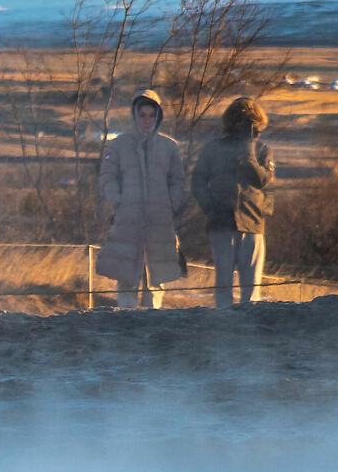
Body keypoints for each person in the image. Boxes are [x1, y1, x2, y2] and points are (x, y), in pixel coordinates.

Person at [97, 88, 187, 309]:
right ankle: (126, 316)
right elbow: (107, 176)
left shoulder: (169, 147)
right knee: (125, 273)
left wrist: (170, 205)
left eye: (151, 115)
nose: (147, 120)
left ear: (158, 116)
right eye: (142, 115)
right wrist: (119, 200)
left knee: (156, 276)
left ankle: (152, 317)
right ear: (134, 115)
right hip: (127, 220)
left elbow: (177, 180)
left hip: (159, 221)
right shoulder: (118, 145)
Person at [190, 96, 276, 307]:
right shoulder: (214, 148)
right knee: (223, 284)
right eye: (244, 122)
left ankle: (249, 322)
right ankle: (223, 320)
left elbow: (263, 181)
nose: (249, 128)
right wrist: (210, 208)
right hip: (222, 224)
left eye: (253, 124)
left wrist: (249, 152)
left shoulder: (261, 149)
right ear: (233, 122)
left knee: (252, 289)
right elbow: (198, 180)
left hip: (253, 223)